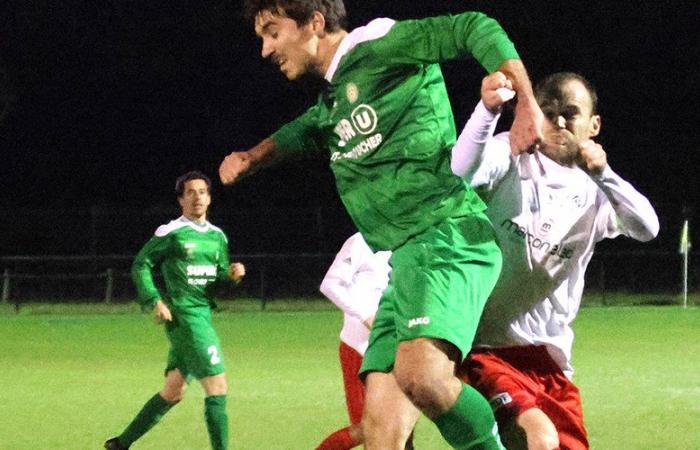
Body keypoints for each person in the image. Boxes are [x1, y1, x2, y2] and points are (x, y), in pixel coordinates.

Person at [220, 2, 545, 448]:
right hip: (405, 261)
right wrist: (253, 156)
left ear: (315, 22)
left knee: (424, 377)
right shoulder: (333, 99)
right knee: (381, 427)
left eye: (273, 32)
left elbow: (474, 26)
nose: (265, 49)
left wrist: (526, 105)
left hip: (446, 236)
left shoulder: (381, 45)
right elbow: (308, 128)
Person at [450, 71, 659, 449]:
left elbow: (647, 228)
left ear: (594, 125)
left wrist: (605, 174)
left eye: (571, 112)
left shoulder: (597, 191)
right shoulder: (511, 154)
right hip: (488, 348)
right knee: (539, 439)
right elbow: (462, 171)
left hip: (552, 361)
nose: (559, 120)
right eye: (548, 110)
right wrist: (487, 111)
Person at [105, 171, 246, 450]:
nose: (197, 197)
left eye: (202, 192)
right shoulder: (170, 232)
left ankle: (120, 444)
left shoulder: (218, 237)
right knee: (217, 387)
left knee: (174, 391)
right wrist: (154, 299)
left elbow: (216, 284)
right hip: (184, 316)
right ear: (181, 199)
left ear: (209, 198)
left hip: (202, 314)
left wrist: (231, 277)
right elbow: (141, 264)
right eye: (190, 192)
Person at [316, 232, 414, 450]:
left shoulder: (410, 240)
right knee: (367, 429)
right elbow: (330, 285)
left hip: (397, 347)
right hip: (359, 348)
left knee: (402, 428)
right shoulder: (361, 241)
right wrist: (366, 316)